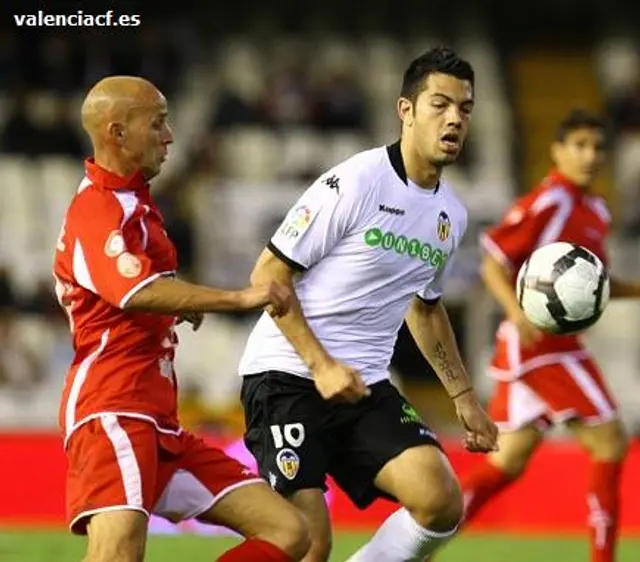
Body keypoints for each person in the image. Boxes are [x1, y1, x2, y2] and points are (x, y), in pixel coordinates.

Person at [237, 46, 499, 562]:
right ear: (406, 110)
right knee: (309, 544)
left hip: (363, 386)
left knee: (441, 500)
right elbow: (268, 275)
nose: (454, 119)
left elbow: (424, 307)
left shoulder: (451, 215)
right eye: (440, 104)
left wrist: (464, 397)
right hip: (287, 376)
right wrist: (323, 365)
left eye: (465, 109)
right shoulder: (355, 181)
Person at [53, 76, 311, 562]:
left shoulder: (139, 206)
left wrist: (181, 301)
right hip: (114, 406)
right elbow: (135, 291)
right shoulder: (98, 208)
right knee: (116, 555)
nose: (169, 136)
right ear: (117, 133)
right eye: (157, 123)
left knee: (288, 532)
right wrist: (240, 298)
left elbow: (142, 287)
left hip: (159, 420)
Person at [449, 108, 637, 562]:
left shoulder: (594, 210)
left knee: (508, 461)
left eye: (597, 147)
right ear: (557, 151)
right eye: (579, 145)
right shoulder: (549, 201)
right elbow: (492, 260)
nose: (590, 155)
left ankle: (417, 541)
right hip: (542, 347)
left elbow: (595, 286)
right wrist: (516, 311)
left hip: (554, 346)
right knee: (610, 440)